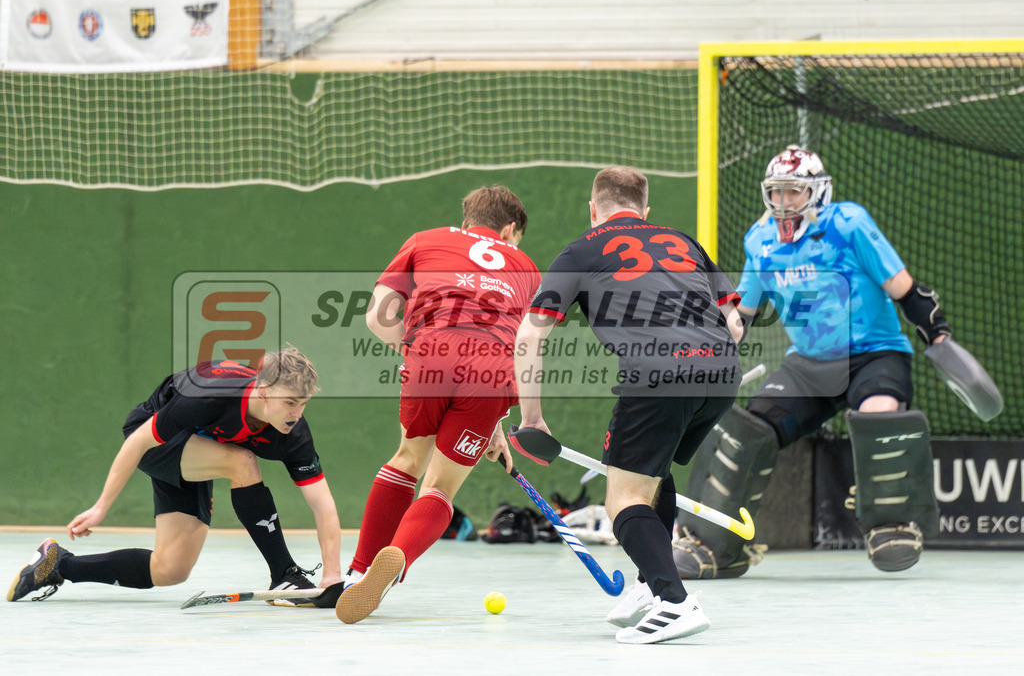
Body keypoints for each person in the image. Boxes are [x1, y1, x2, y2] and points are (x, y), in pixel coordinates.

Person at [674, 145, 956, 579]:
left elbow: (904, 289)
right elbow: (744, 315)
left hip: (874, 353)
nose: (784, 202)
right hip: (808, 364)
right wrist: (710, 348)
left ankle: (893, 526)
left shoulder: (849, 224)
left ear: (817, 192)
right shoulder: (760, 240)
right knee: (745, 432)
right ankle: (714, 543)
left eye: (794, 191)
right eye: (777, 192)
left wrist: (937, 333)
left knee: (880, 414)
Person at [512, 166, 744, 645]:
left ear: (593, 210)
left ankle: (674, 601)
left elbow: (530, 334)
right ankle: (646, 582)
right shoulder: (683, 242)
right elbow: (735, 324)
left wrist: (531, 418)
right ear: (645, 211)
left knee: (624, 498)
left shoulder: (581, 249)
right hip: (723, 372)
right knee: (650, 472)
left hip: (659, 374)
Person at [335, 185, 541, 624]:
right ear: (509, 230)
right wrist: (497, 419)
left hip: (429, 353)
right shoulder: (525, 266)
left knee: (407, 459)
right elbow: (519, 346)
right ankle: (396, 561)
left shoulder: (425, 240)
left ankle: (357, 573)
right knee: (440, 487)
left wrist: (416, 353)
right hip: (493, 372)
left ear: (467, 220)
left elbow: (377, 317)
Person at [7, 349, 342, 603]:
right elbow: (138, 441)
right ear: (265, 391)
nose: (297, 414)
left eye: (304, 404)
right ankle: (284, 574)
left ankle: (59, 565)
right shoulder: (211, 394)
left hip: (203, 450)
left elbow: (322, 504)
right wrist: (101, 507)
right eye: (290, 403)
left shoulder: (294, 433)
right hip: (154, 438)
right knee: (242, 462)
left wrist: (332, 575)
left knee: (171, 569)